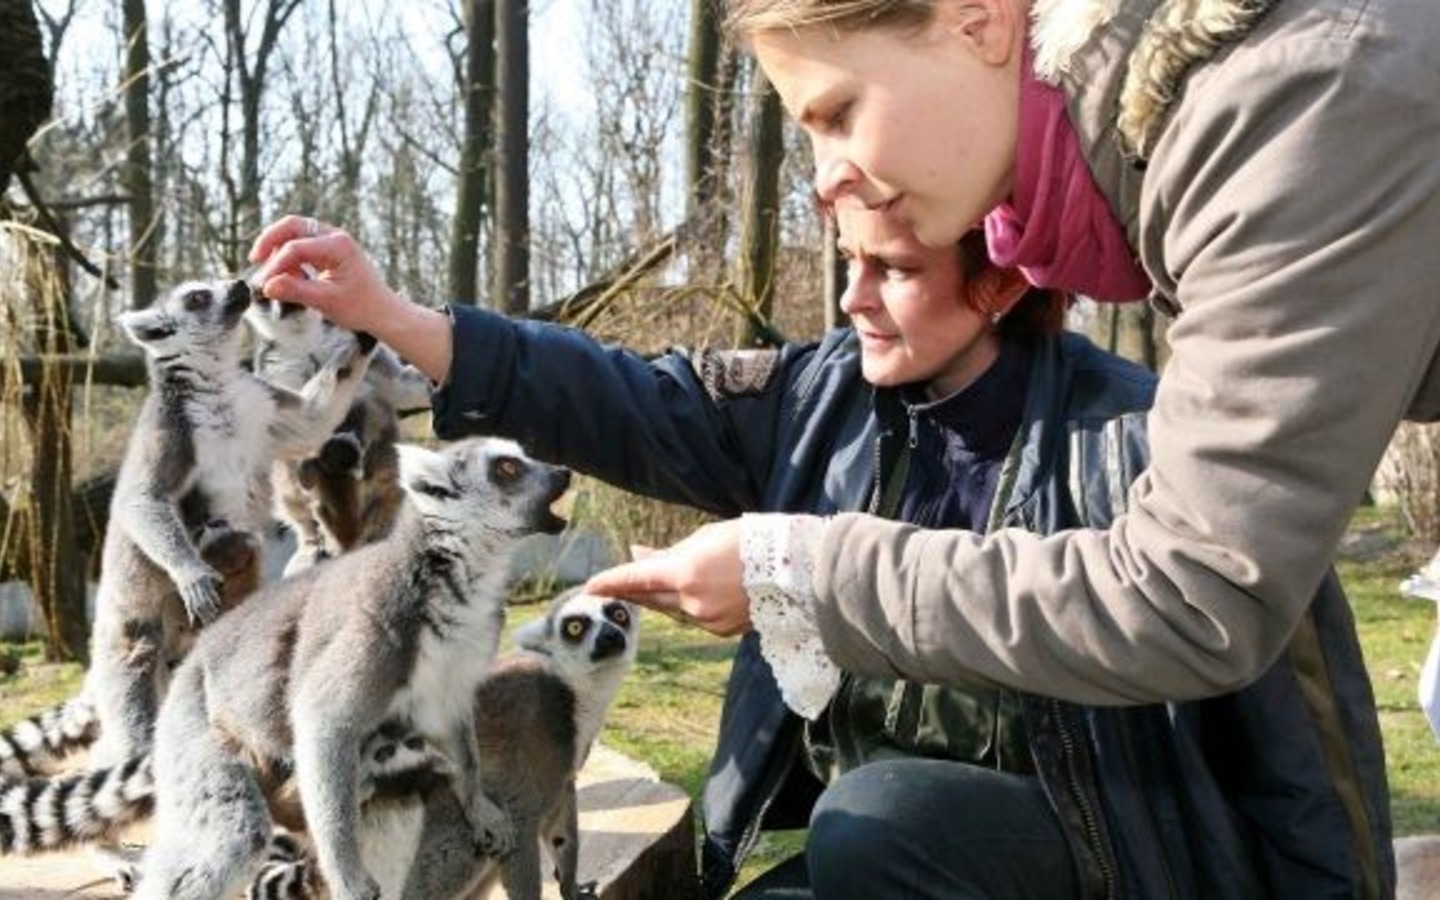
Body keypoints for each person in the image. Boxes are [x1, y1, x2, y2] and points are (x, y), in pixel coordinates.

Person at [249, 200, 1389, 898]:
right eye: (844, 258)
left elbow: (1304, 742)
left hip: (1089, 858)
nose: (851, 297)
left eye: (890, 269)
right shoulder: (819, 397)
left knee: (885, 815)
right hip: (879, 871)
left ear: (1000, 277)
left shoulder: (1141, 440)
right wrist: (399, 320)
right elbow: (626, 399)